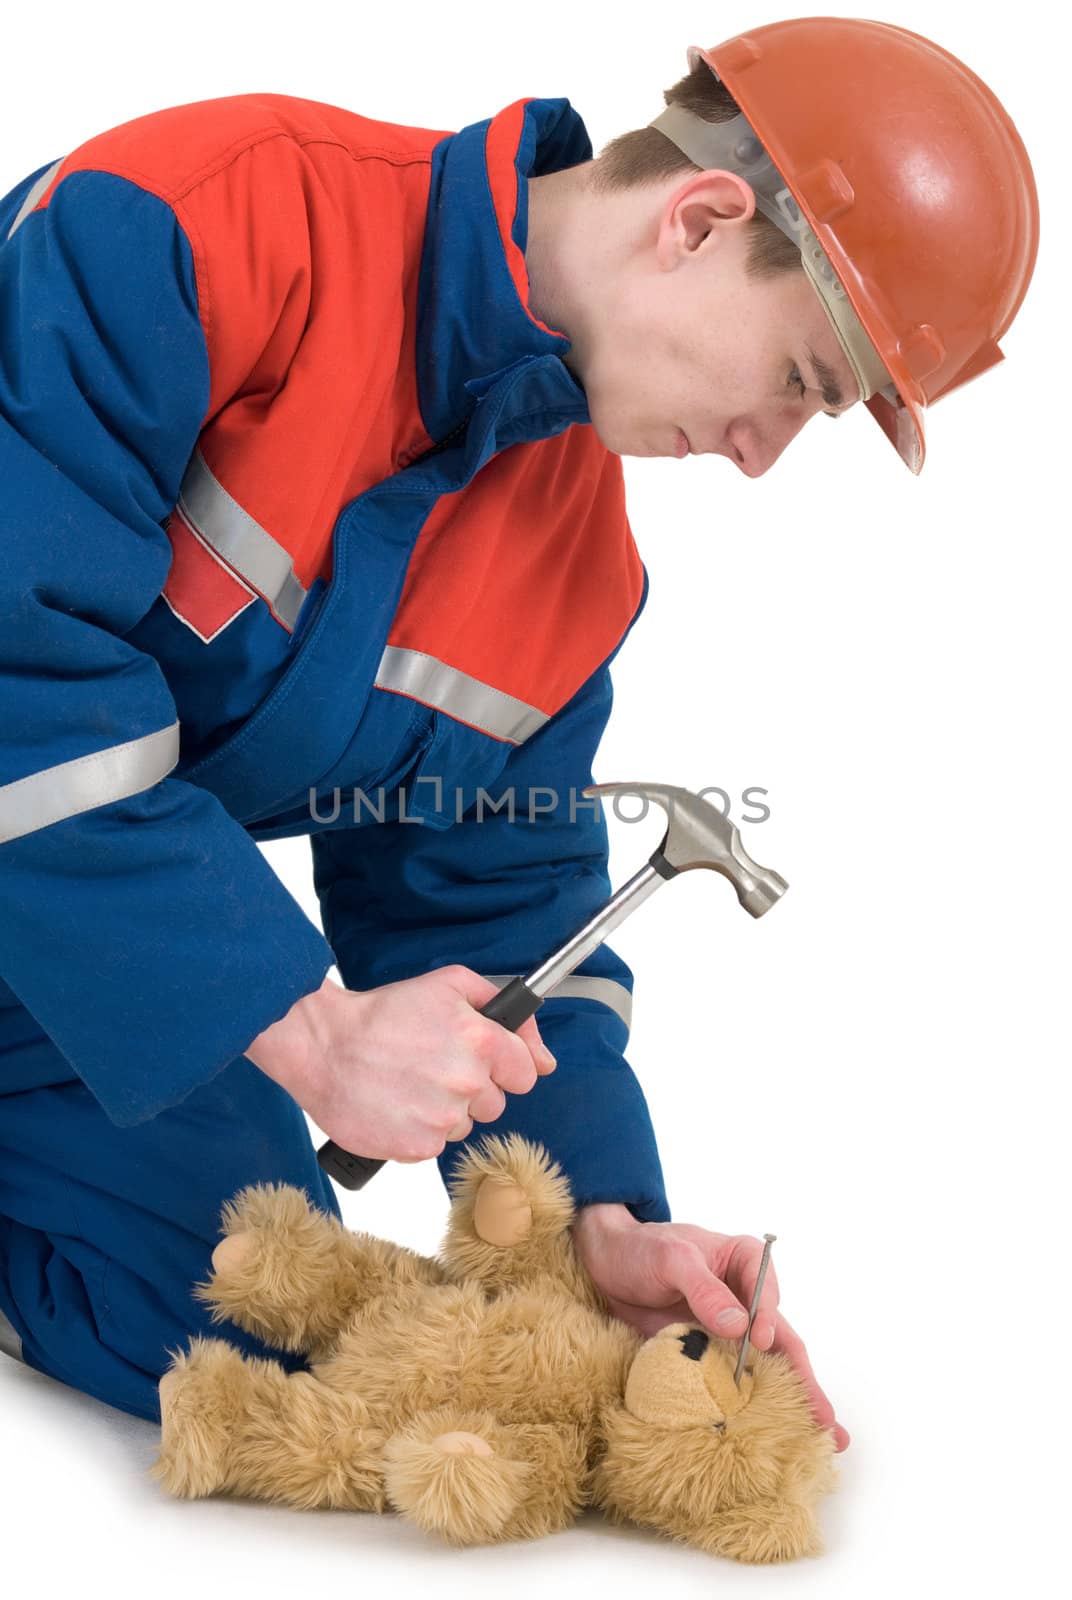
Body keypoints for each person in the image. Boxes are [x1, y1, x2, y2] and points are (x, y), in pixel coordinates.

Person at [0, 17, 1038, 1457]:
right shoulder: (209, 218)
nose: (757, 456)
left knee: (266, 1305)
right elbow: (15, 664)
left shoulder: (573, 558)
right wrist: (306, 1030)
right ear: (699, 218)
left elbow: (489, 898)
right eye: (799, 384)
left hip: (64, 954)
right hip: (62, 879)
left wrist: (594, 1222)